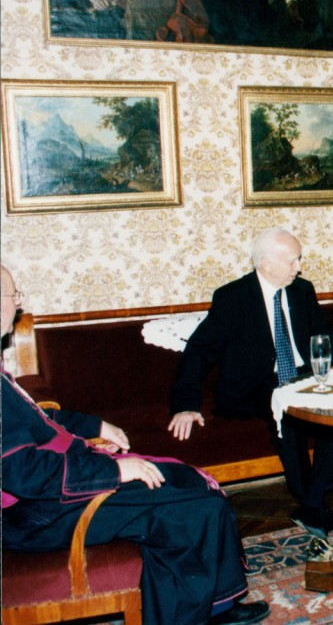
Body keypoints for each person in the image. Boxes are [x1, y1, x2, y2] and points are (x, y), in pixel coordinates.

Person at [1, 264, 270, 625]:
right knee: (196, 509)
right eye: (13, 295)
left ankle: (216, 605)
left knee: (187, 483)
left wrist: (94, 425)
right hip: (36, 515)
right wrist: (113, 470)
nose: (18, 304)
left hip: (47, 498)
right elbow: (22, 472)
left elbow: (36, 420)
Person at [168, 227, 333, 538]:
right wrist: (185, 405)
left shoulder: (302, 291)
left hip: (300, 375)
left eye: (299, 259)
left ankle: (313, 502)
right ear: (266, 263)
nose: (299, 267)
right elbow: (200, 351)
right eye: (293, 260)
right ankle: (313, 501)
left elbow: (326, 335)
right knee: (285, 408)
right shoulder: (233, 297)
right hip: (252, 387)